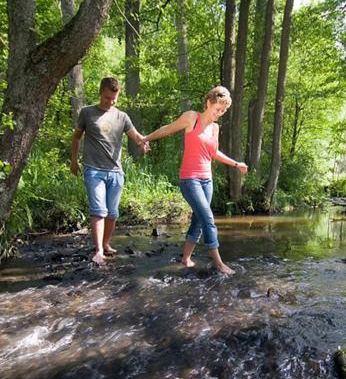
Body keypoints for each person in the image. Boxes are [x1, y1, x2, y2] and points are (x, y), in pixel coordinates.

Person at [143, 85, 248, 275]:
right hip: (189, 179)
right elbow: (168, 129)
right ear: (208, 103)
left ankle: (186, 258)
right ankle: (218, 264)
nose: (220, 113)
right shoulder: (192, 118)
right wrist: (145, 138)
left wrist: (236, 163)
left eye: (224, 111)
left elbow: (214, 153)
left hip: (207, 180)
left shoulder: (215, 128)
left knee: (199, 220)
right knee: (208, 218)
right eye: (218, 109)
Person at [70, 77, 150, 265]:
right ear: (100, 92)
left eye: (114, 98)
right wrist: (74, 160)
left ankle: (106, 244)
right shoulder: (87, 113)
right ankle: (98, 251)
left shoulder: (122, 116)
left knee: (112, 213)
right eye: (107, 98)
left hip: (115, 171)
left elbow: (136, 135)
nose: (111, 102)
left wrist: (143, 143)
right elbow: (76, 137)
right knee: (99, 210)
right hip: (93, 169)